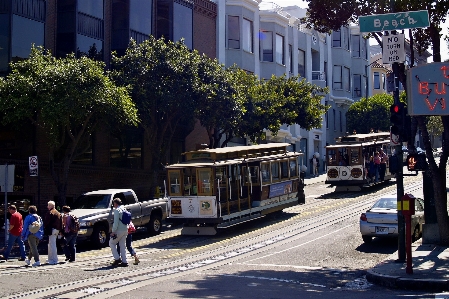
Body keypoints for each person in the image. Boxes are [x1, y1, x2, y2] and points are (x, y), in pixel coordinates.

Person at [109, 198, 128, 267]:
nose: (113, 205)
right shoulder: (124, 208)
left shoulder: (117, 210)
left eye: (113, 204)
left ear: (116, 204)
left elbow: (116, 222)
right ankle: (124, 261)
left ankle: (117, 258)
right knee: (123, 245)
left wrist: (113, 231)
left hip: (119, 230)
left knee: (111, 243)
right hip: (125, 229)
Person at [43, 200, 62, 265]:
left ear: (50, 206)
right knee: (51, 244)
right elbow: (61, 223)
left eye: (48, 205)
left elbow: (46, 222)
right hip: (57, 230)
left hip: (52, 229)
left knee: (52, 245)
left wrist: (45, 226)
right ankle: (50, 259)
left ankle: (54, 259)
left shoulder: (50, 212)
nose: (47, 206)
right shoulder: (58, 213)